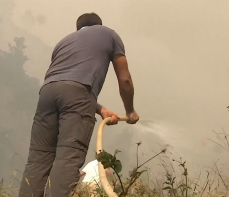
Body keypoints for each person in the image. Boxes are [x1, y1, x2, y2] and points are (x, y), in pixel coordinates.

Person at [18, 12, 139, 197]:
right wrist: (130, 111)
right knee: (67, 157)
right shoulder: (109, 34)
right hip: (78, 96)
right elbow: (125, 81)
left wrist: (99, 109)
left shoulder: (63, 42)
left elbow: (66, 83)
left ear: (78, 29)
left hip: (47, 93)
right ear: (98, 25)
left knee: (39, 157)